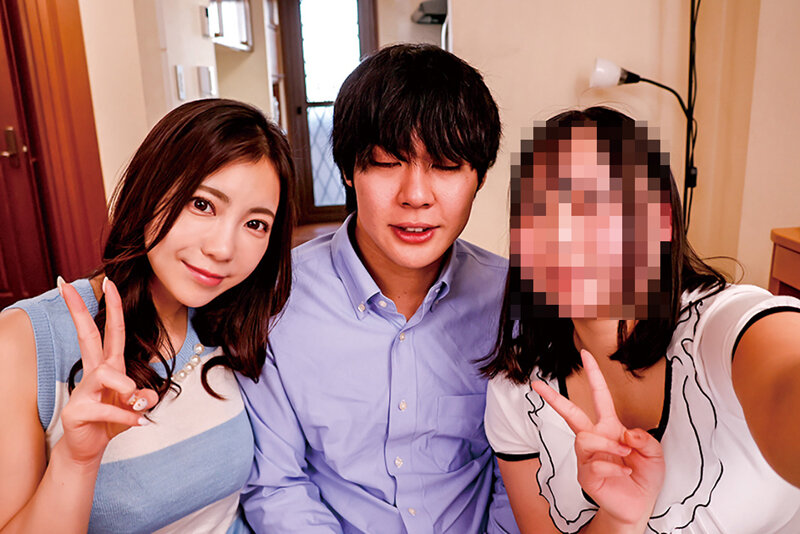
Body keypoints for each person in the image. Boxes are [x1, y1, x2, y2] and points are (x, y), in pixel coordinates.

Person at [238, 43, 519, 533]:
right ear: (349, 170)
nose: (416, 196)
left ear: (480, 177)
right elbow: (277, 485)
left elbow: (518, 469)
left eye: (446, 166)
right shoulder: (276, 299)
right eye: (388, 163)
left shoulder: (510, 301)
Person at [483, 106, 800, 534]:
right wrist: (619, 517)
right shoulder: (517, 391)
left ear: (662, 223)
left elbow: (784, 378)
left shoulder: (721, 327)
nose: (565, 233)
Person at [0, 98, 296, 533]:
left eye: (255, 224)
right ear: (149, 191)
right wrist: (77, 460)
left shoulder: (232, 322)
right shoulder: (23, 341)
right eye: (202, 204)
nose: (223, 249)